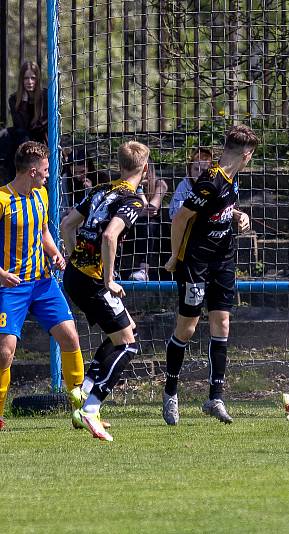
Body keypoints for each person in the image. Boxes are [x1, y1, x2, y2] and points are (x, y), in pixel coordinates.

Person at [161, 125, 258, 425]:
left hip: (223, 261)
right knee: (187, 328)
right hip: (196, 263)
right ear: (246, 155)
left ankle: (215, 397)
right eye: (251, 156)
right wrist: (176, 257)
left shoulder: (232, 178)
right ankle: (171, 392)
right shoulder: (210, 182)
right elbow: (180, 219)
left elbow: (227, 208)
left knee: (222, 323)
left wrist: (241, 216)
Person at [60, 141, 149, 441]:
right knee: (128, 345)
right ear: (145, 170)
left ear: (120, 165)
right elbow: (110, 236)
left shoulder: (100, 189)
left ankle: (82, 393)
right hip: (94, 280)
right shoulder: (133, 201)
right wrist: (108, 280)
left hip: (74, 274)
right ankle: (91, 406)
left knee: (126, 331)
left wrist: (76, 260)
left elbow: (67, 225)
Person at [0, 141, 85, 431]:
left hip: (43, 283)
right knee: (5, 352)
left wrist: (54, 253)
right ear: (33, 171)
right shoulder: (2, 199)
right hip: (11, 287)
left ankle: (83, 411)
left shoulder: (42, 195)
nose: (49, 175)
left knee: (70, 338)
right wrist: (1, 274)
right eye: (46, 170)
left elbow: (44, 230)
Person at [0, 62, 47, 179]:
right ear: (21, 79)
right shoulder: (14, 99)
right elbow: (20, 125)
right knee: (8, 134)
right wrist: (24, 102)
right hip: (23, 140)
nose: (29, 82)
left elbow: (42, 124)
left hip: (40, 138)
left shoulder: (45, 96)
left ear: (38, 79)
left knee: (22, 135)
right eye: (26, 78)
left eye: (33, 78)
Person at [127, 163, 169, 281]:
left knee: (147, 223)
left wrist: (139, 188)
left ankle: (143, 270)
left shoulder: (160, 184)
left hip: (153, 230)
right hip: (131, 226)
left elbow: (150, 208)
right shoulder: (127, 186)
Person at [169, 148, 213, 220]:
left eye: (204, 170)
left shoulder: (215, 184)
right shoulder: (184, 185)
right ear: (190, 167)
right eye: (196, 169)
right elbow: (172, 213)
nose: (199, 174)